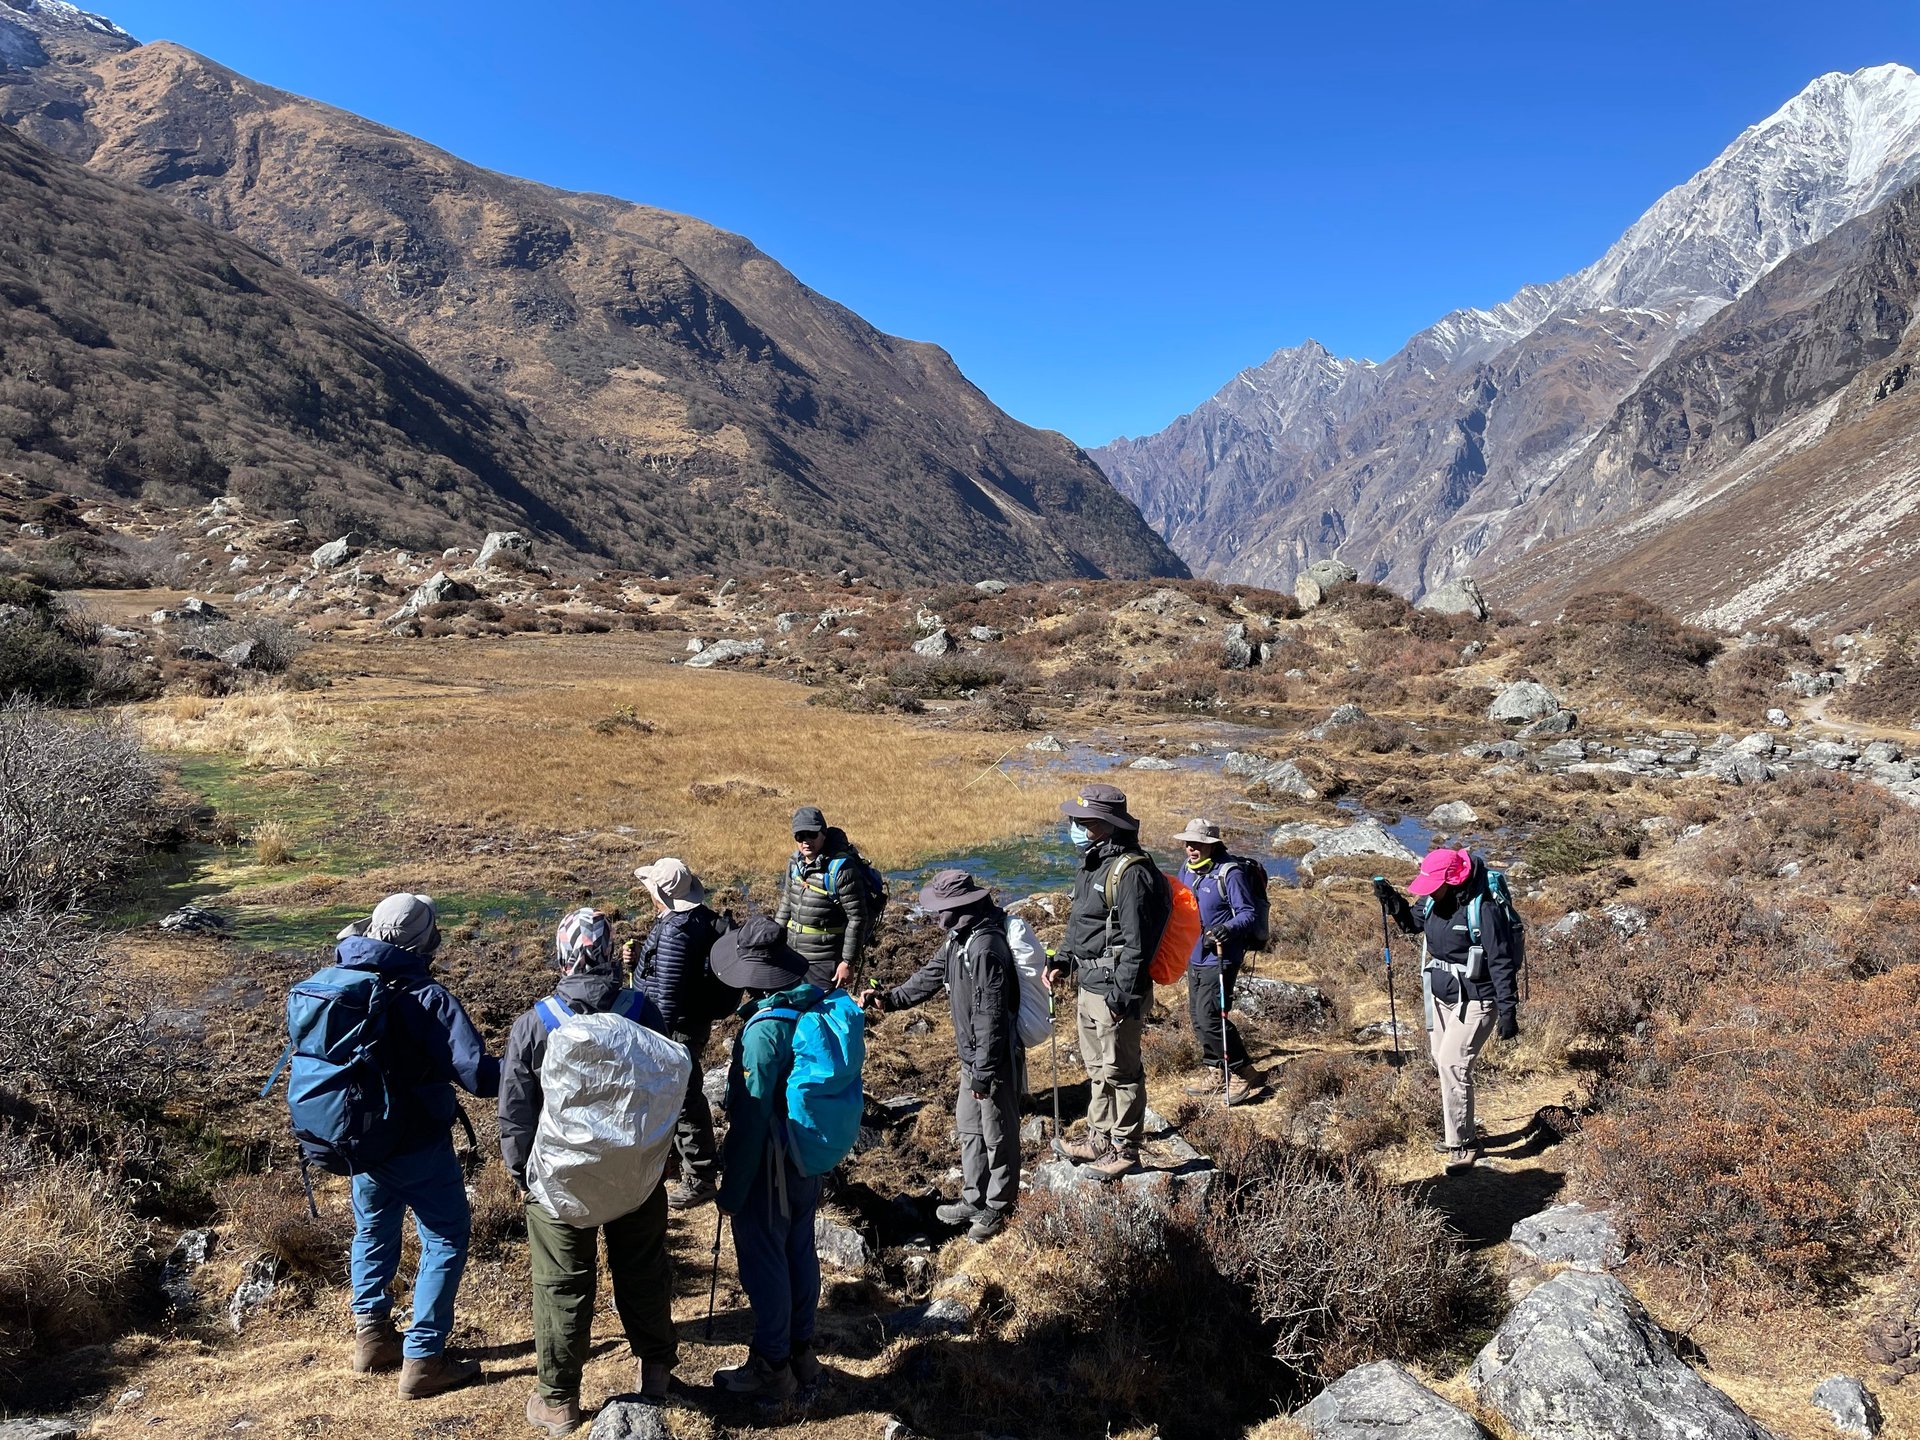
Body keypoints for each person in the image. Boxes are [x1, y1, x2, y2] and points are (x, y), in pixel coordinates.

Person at [500, 908, 679, 1435]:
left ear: (562, 955)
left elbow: (515, 1113)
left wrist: (522, 1175)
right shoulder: (643, 1012)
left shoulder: (535, 1024)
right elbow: (670, 1087)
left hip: (560, 1180)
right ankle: (657, 1376)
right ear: (608, 954)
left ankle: (557, 1402)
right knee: (644, 1269)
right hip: (636, 1173)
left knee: (561, 1284)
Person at [334, 893, 498, 1398]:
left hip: (360, 1140)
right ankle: (424, 1360)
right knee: (445, 1236)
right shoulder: (429, 997)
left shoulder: (346, 984)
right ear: (425, 941)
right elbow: (480, 1077)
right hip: (418, 1143)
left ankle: (372, 1338)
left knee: (372, 1229)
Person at [863, 869, 1020, 1242]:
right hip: (972, 1058)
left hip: (991, 1061)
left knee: (998, 1134)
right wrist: (890, 998)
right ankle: (973, 1197)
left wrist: (983, 1070)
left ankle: (999, 1207)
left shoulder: (985, 948)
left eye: (938, 909)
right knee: (969, 1128)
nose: (933, 916)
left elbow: (991, 1015)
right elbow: (929, 976)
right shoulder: (957, 938)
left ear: (959, 906)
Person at [712, 916, 827, 1400]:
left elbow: (752, 1119)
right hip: (808, 1154)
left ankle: (771, 1365)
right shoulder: (810, 1003)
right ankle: (801, 1351)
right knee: (798, 1249)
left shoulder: (764, 1032)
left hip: (770, 1163)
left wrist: (731, 1191)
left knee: (765, 1259)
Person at [1041, 784, 1169, 1183]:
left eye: (1083, 822)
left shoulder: (1132, 873)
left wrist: (1121, 997)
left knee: (1122, 1071)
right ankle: (1099, 1139)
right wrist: (1062, 958)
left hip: (1114, 992)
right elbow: (1081, 924)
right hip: (1089, 984)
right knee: (1097, 1069)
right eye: (1074, 820)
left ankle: (1126, 1150)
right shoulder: (1092, 862)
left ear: (1108, 826)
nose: (1075, 827)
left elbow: (1138, 945)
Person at [1373, 849, 1520, 1170]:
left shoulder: (1484, 911)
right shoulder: (1431, 901)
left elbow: (1501, 962)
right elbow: (1412, 924)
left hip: (1478, 998)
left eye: (1433, 883)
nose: (1426, 890)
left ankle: (1462, 1143)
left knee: (1454, 1063)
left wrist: (1508, 1010)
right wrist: (1394, 902)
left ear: (1453, 881)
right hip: (1441, 993)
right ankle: (1464, 1131)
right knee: (1442, 1060)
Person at [628, 857, 727, 1210]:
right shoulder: (691, 920)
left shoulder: (675, 930)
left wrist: (657, 1041)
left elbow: (667, 994)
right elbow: (665, 974)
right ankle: (679, 1164)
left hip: (675, 1029)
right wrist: (640, 961)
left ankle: (700, 1178)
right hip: (690, 1022)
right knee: (679, 1095)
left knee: (684, 1099)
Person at [1173, 819, 1267, 1106]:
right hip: (1194, 954)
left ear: (1211, 845)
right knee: (1198, 1018)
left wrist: (1228, 929)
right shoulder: (1186, 870)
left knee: (1212, 1015)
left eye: (1197, 843)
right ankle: (1216, 1070)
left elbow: (1248, 913)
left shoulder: (1230, 873)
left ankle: (1242, 1073)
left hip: (1221, 955)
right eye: (1188, 843)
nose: (1191, 848)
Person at [773, 805, 872, 990]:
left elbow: (857, 918)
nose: (806, 841)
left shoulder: (842, 869)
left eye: (811, 834)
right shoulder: (794, 863)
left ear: (823, 834)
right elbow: (787, 901)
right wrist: (774, 940)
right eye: (800, 836)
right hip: (792, 956)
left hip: (824, 962)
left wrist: (848, 962)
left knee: (819, 1012)